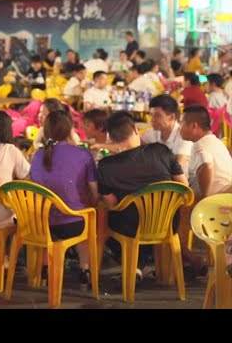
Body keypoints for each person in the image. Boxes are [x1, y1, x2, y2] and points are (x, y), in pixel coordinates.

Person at [97, 111, 188, 271]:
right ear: (136, 129)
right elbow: (183, 186)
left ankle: (135, 264)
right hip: (167, 223)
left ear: (110, 138)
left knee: (106, 220)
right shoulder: (161, 151)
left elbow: (112, 203)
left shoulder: (106, 166)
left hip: (131, 228)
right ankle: (144, 263)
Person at [30, 110, 98, 289]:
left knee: (49, 215)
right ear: (70, 130)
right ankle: (85, 271)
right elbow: (95, 192)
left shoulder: (38, 155)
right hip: (73, 223)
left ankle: (45, 270)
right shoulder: (83, 155)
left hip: (40, 224)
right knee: (89, 215)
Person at [180, 105, 232, 202]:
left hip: (212, 204)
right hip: (226, 198)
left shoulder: (200, 146)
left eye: (181, 123)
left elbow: (207, 165)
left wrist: (204, 198)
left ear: (194, 126)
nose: (179, 127)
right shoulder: (216, 141)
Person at [141, 94, 192, 175]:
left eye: (157, 116)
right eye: (151, 115)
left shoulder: (184, 137)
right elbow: (136, 144)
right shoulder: (154, 132)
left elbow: (179, 169)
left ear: (171, 117)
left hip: (177, 185)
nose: (152, 120)